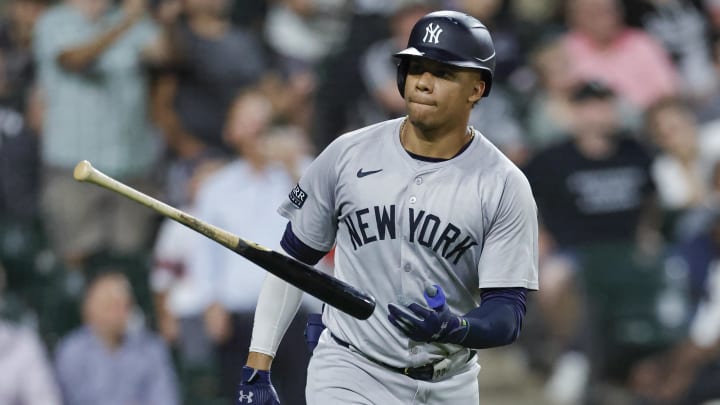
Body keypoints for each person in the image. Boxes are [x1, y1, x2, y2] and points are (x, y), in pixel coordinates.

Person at [238, 10, 539, 405]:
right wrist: (257, 367)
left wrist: (456, 327)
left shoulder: (503, 183)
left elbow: (506, 312)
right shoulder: (347, 154)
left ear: (477, 89)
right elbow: (292, 264)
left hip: (450, 384)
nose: (424, 83)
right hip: (351, 369)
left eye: (443, 73)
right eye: (416, 68)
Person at [32, 0, 170, 271]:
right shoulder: (54, 21)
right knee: (76, 266)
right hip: (74, 169)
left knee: (130, 268)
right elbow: (74, 60)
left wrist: (168, 20)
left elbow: (165, 54)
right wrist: (126, 23)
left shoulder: (131, 17)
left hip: (131, 167)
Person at [54, 271, 180, 405]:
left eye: (124, 305)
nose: (118, 312)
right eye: (109, 306)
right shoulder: (71, 352)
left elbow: (165, 398)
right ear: (88, 310)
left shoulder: (152, 350)